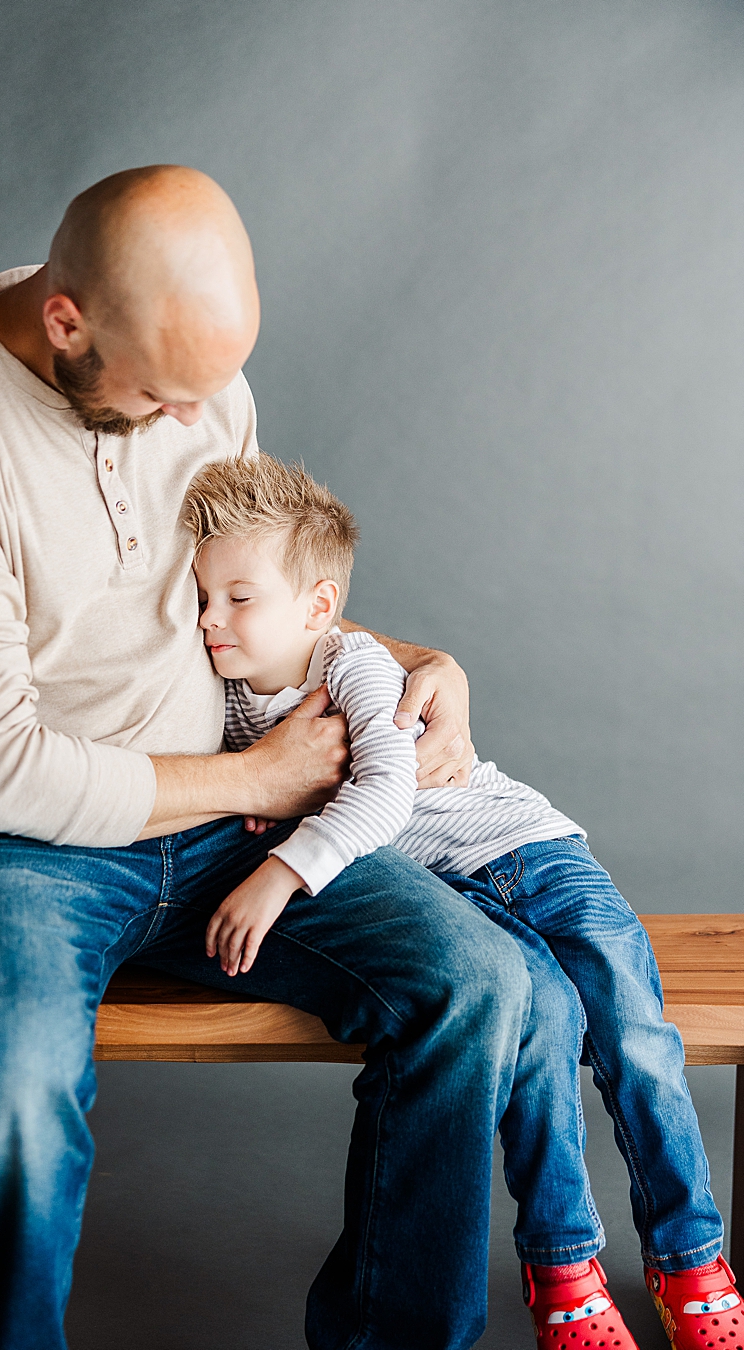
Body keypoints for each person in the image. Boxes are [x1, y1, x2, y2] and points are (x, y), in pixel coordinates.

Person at [0, 165, 535, 1350]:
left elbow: (264, 605)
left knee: (478, 984)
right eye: (166, 394)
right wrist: (259, 780)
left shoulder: (203, 388)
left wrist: (428, 659)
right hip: (29, 851)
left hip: (245, 830)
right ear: (65, 323)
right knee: (8, 1100)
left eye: (208, 393)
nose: (194, 421)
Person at [182, 451, 739, 1350]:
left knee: (634, 1031)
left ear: (317, 605)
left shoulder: (350, 661)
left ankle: (691, 1256)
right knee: (541, 1027)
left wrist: (285, 863)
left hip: (525, 853)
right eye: (202, 599)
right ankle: (564, 1265)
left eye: (238, 598)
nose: (212, 620)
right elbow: (248, 787)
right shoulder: (223, 699)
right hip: (450, 894)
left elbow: (385, 790)